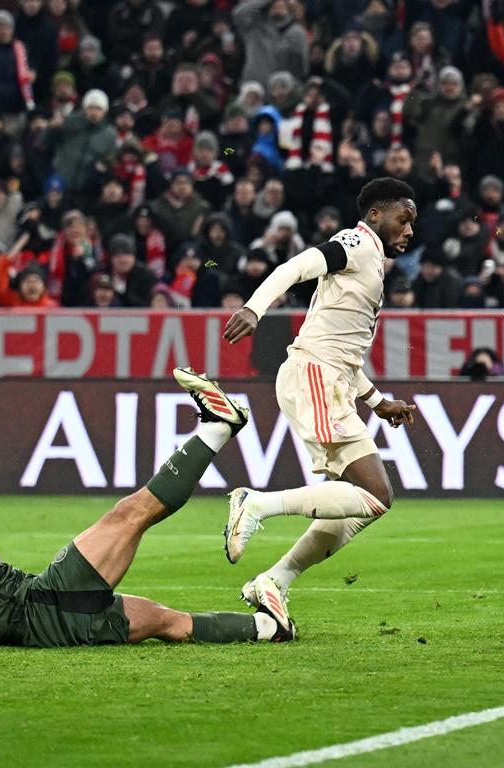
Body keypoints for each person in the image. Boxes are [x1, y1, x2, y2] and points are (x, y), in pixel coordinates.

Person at [0, 370, 296, 652]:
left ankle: (268, 629)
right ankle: (218, 427)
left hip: (45, 623)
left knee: (165, 620)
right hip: (41, 607)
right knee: (131, 513)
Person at [219, 177, 419, 614]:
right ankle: (256, 503)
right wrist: (255, 307)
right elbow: (295, 267)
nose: (408, 231)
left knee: (365, 502)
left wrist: (377, 401)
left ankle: (274, 581)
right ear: (375, 215)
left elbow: (345, 352)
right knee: (373, 495)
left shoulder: (370, 265)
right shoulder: (356, 242)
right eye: (403, 220)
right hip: (314, 373)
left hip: (330, 377)